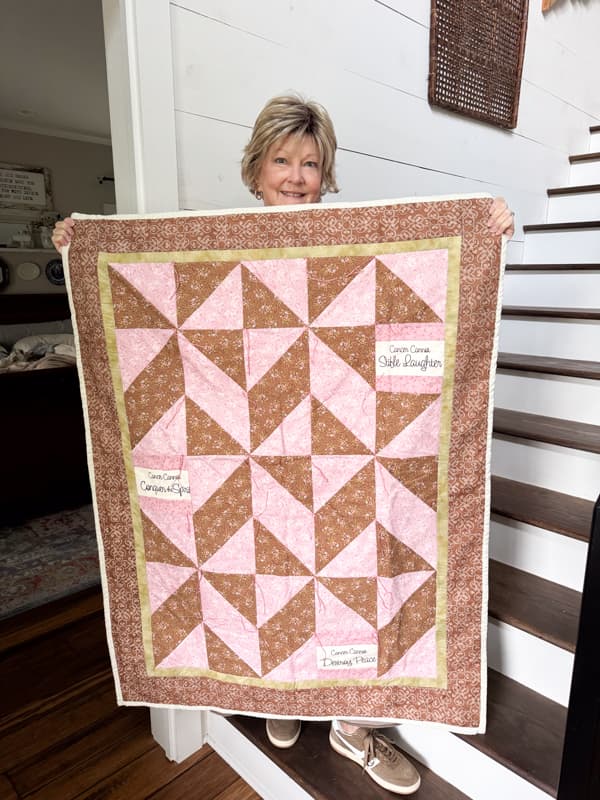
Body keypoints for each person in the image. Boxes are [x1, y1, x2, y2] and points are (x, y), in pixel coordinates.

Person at [52, 94, 514, 795]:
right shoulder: (211, 258)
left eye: (311, 163)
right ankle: (276, 693)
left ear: (326, 175)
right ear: (254, 168)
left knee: (352, 576)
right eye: (283, 161)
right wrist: (80, 248)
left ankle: (354, 726)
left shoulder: (358, 251)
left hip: (344, 462)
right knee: (255, 570)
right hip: (245, 463)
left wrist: (488, 229)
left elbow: (411, 316)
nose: (297, 177)